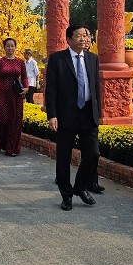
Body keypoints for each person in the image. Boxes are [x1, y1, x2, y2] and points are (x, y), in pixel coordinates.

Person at [45, 24, 102, 211]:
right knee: (63, 157)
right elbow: (51, 90)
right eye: (79, 36)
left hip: (87, 114)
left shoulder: (93, 59)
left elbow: (96, 88)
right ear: (69, 39)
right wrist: (52, 115)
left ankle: (80, 186)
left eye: (86, 35)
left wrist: (98, 111)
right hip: (65, 115)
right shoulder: (57, 59)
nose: (84, 38)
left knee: (93, 154)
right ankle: (66, 194)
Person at [0, 38, 28, 157]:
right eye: (8, 46)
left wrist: (26, 88)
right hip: (2, 94)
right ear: (4, 47)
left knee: (15, 120)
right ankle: (0, 140)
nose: (10, 48)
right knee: (3, 119)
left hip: (16, 94)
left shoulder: (20, 62)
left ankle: (11, 148)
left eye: (12, 46)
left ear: (15, 47)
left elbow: (25, 77)